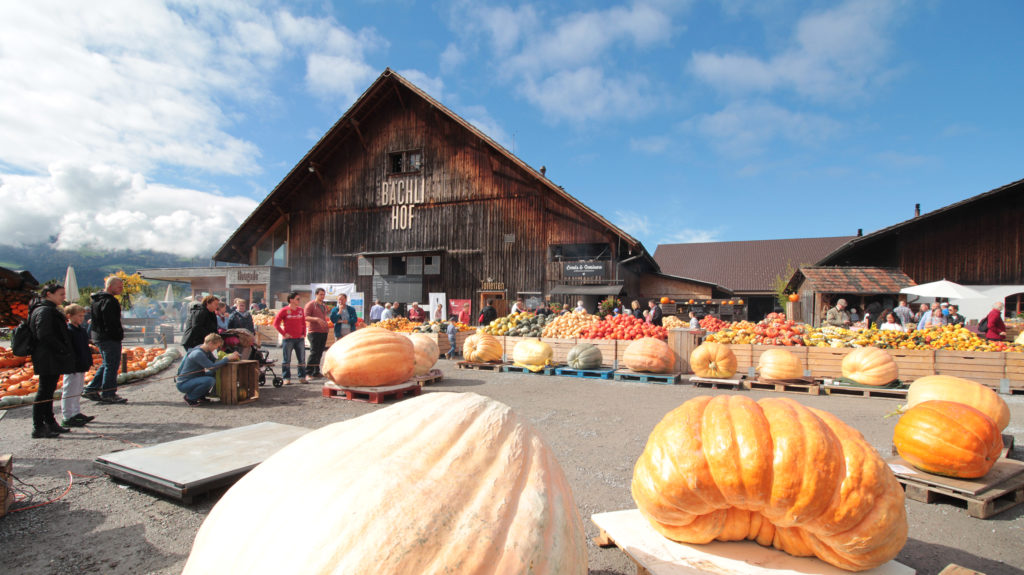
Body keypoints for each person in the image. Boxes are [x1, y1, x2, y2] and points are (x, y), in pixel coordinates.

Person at [28, 284, 75, 438]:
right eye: (61, 294)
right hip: (47, 356)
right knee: (44, 392)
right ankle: (39, 426)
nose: (63, 297)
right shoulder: (44, 311)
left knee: (48, 391)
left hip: (50, 356)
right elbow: (45, 334)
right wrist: (61, 348)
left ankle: (50, 422)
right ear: (49, 294)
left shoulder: (47, 309)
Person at [82, 276, 128, 404]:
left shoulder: (96, 300)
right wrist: (118, 335)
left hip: (99, 336)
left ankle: (91, 388)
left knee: (107, 364)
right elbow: (111, 322)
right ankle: (108, 393)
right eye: (119, 286)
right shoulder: (110, 301)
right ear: (110, 286)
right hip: (109, 337)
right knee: (112, 365)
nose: (121, 289)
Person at [175, 333, 240, 406]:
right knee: (210, 380)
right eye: (216, 346)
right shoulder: (198, 353)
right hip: (184, 383)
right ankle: (190, 398)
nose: (216, 348)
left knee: (214, 374)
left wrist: (229, 356)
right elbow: (211, 367)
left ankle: (200, 396)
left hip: (195, 377)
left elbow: (215, 362)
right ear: (210, 343)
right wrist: (227, 358)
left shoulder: (206, 351)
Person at [61, 304, 95, 428]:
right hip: (73, 365)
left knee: (78, 389)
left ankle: (76, 412)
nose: (82, 318)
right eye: (79, 316)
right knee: (69, 390)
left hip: (82, 363)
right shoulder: (68, 330)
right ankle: (67, 416)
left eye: (83, 316)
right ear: (69, 316)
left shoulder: (80, 329)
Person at [274, 291, 310, 384]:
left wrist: (304, 334)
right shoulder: (284, 310)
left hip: (300, 339)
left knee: (301, 359)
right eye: (297, 299)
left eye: (299, 299)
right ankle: (286, 378)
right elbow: (276, 324)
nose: (299, 300)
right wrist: (284, 333)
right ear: (291, 300)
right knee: (287, 359)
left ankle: (302, 377)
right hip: (288, 339)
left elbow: (303, 323)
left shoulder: (300, 310)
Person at [304, 288, 330, 379]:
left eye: (323, 294)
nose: (322, 296)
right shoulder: (310, 305)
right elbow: (305, 317)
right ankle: (308, 373)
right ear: (316, 294)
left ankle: (316, 371)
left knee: (319, 352)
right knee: (314, 352)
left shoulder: (323, 305)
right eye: (320, 294)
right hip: (314, 331)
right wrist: (316, 319)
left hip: (323, 331)